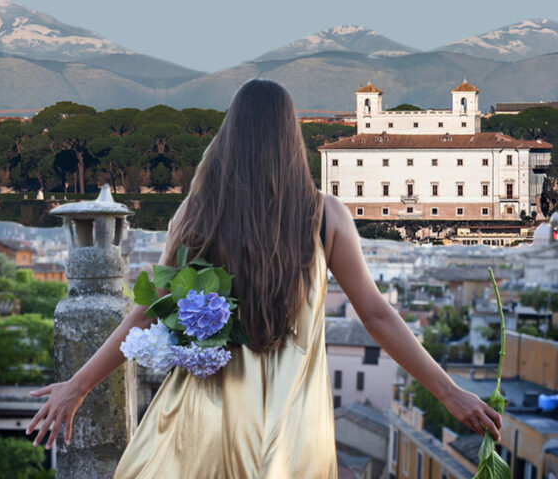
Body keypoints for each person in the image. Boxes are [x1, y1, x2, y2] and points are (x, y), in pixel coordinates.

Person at [27, 78, 501, 477]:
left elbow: (148, 311)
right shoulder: (325, 215)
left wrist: (77, 387)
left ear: (229, 136)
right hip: (291, 430)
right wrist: (448, 391)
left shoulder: (196, 213)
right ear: (289, 138)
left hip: (203, 421)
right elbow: (376, 315)